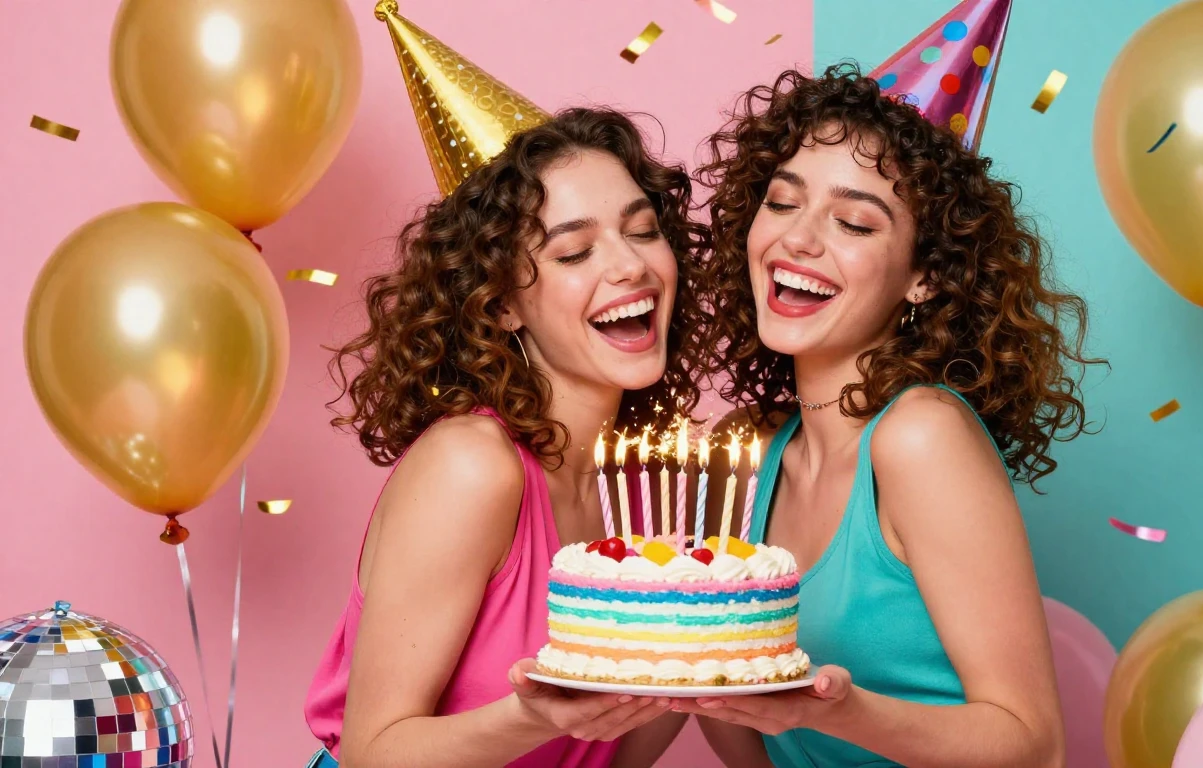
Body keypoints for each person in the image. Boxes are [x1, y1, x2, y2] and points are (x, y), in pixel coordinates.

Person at [679, 65, 1101, 768]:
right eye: (782, 204)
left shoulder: (920, 437)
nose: (800, 241)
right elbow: (729, 713)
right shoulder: (741, 452)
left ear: (923, 276)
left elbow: (1035, 745)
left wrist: (843, 710)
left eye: (852, 221)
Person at [303, 108, 703, 768]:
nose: (631, 264)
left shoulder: (641, 487)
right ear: (501, 304)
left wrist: (705, 666)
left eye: (642, 230)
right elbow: (373, 752)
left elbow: (603, 753)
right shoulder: (472, 467)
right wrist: (530, 715)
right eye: (574, 251)